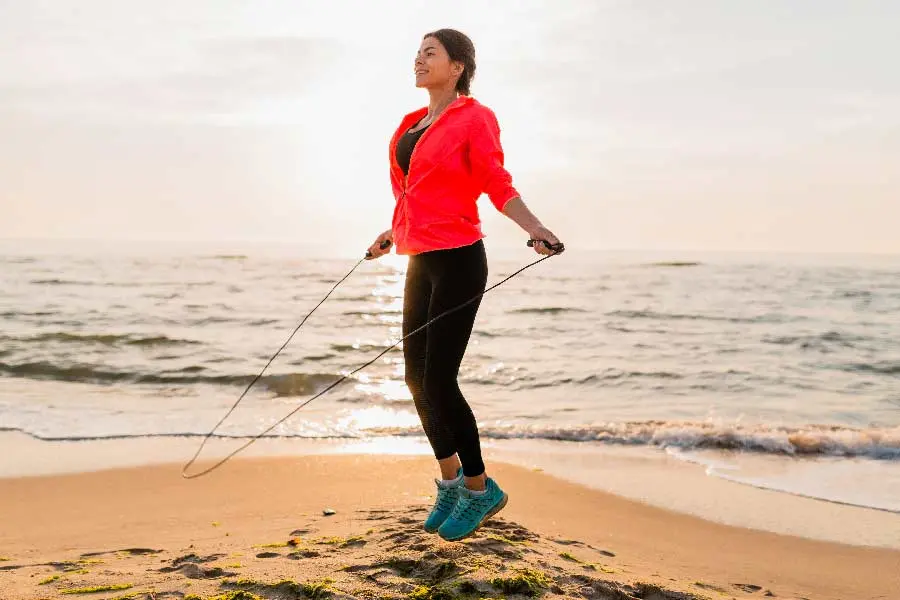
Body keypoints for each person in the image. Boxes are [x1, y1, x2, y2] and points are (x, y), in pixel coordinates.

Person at [366, 28, 563, 541]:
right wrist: (394, 231)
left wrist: (535, 228)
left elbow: (495, 180)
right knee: (414, 378)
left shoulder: (475, 118)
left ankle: (480, 490)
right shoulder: (411, 124)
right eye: (417, 52)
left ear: (456, 67)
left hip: (458, 259)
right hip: (419, 258)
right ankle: (451, 482)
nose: (419, 60)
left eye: (430, 53)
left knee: (439, 380)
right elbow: (413, 193)